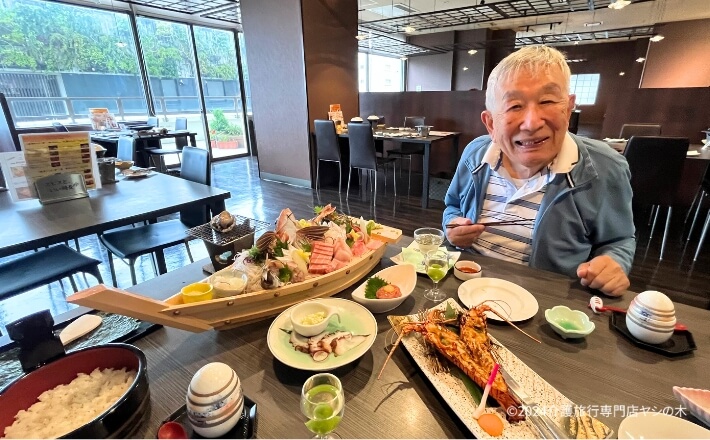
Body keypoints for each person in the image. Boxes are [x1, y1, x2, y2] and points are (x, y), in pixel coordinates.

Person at [443, 45, 635, 297]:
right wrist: (452, 228)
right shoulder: (476, 154)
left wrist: (614, 264)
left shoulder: (604, 166)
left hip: (547, 302)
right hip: (467, 287)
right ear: (490, 123)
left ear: (567, 109)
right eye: (514, 106)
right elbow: (452, 206)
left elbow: (619, 240)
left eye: (546, 101)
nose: (532, 122)